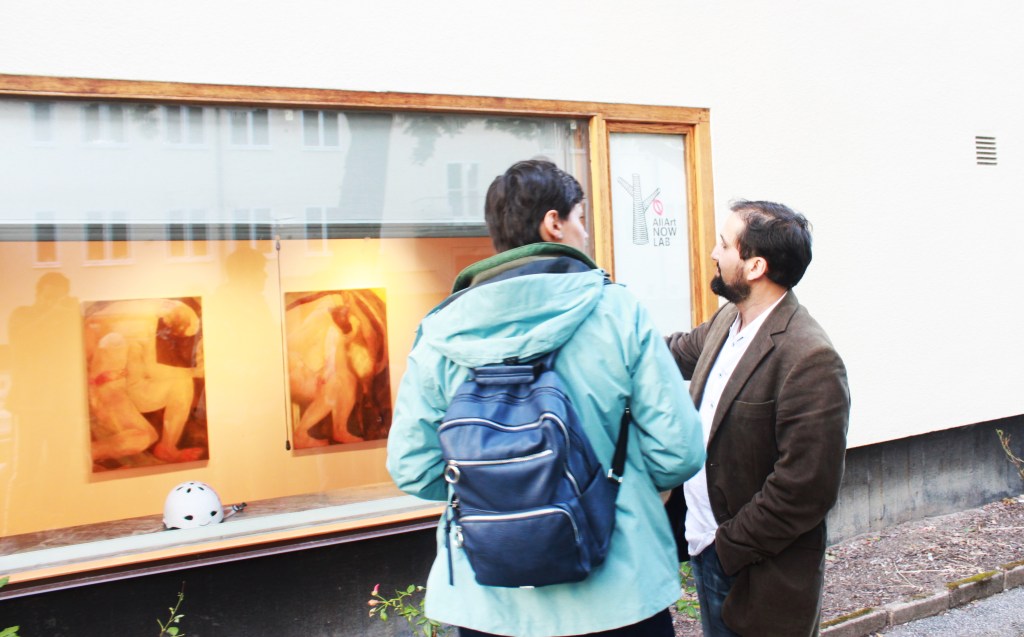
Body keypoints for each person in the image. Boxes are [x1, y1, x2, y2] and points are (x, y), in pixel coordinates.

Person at [386, 159, 705, 637]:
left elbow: (413, 466)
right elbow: (678, 451)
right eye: (581, 218)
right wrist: (617, 483)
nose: (585, 233)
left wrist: (498, 492)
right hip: (618, 592)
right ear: (553, 223)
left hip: (490, 600)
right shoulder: (617, 312)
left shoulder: (439, 332)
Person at [663, 200, 850, 636]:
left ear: (755, 267)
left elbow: (805, 488)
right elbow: (671, 352)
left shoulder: (810, 358)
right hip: (703, 546)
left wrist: (727, 547)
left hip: (755, 573)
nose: (714, 252)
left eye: (724, 244)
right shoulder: (729, 320)